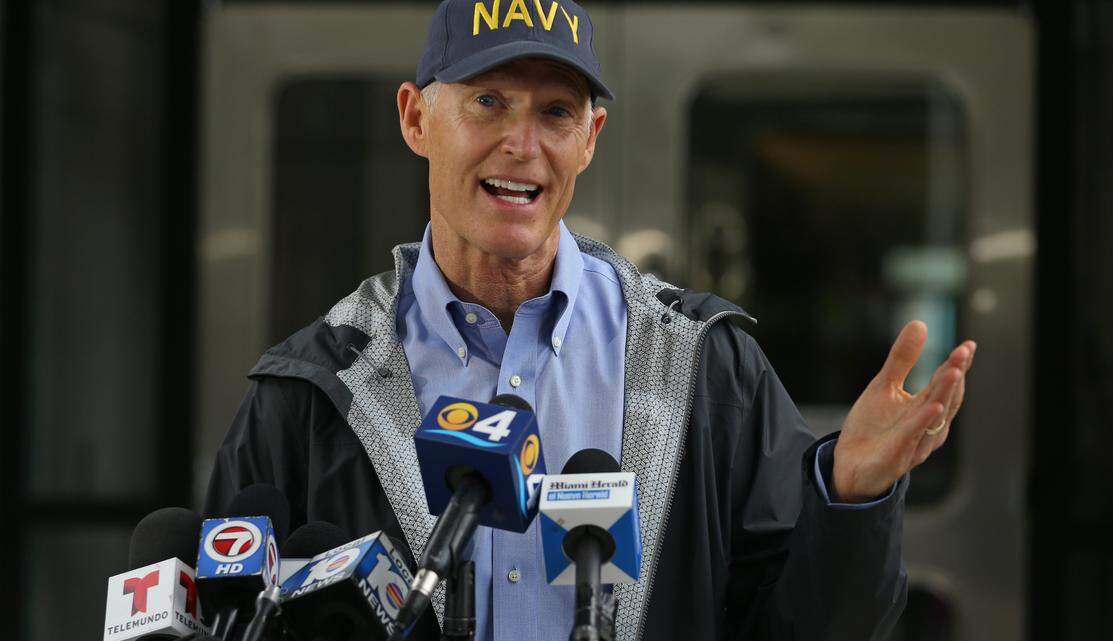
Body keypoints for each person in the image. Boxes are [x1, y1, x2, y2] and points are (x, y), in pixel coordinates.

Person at [204, 1, 976, 640]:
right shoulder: (313, 388)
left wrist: (851, 501)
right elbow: (228, 609)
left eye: (556, 112)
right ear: (415, 119)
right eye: (488, 101)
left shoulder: (704, 367)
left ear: (590, 139)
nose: (522, 145)